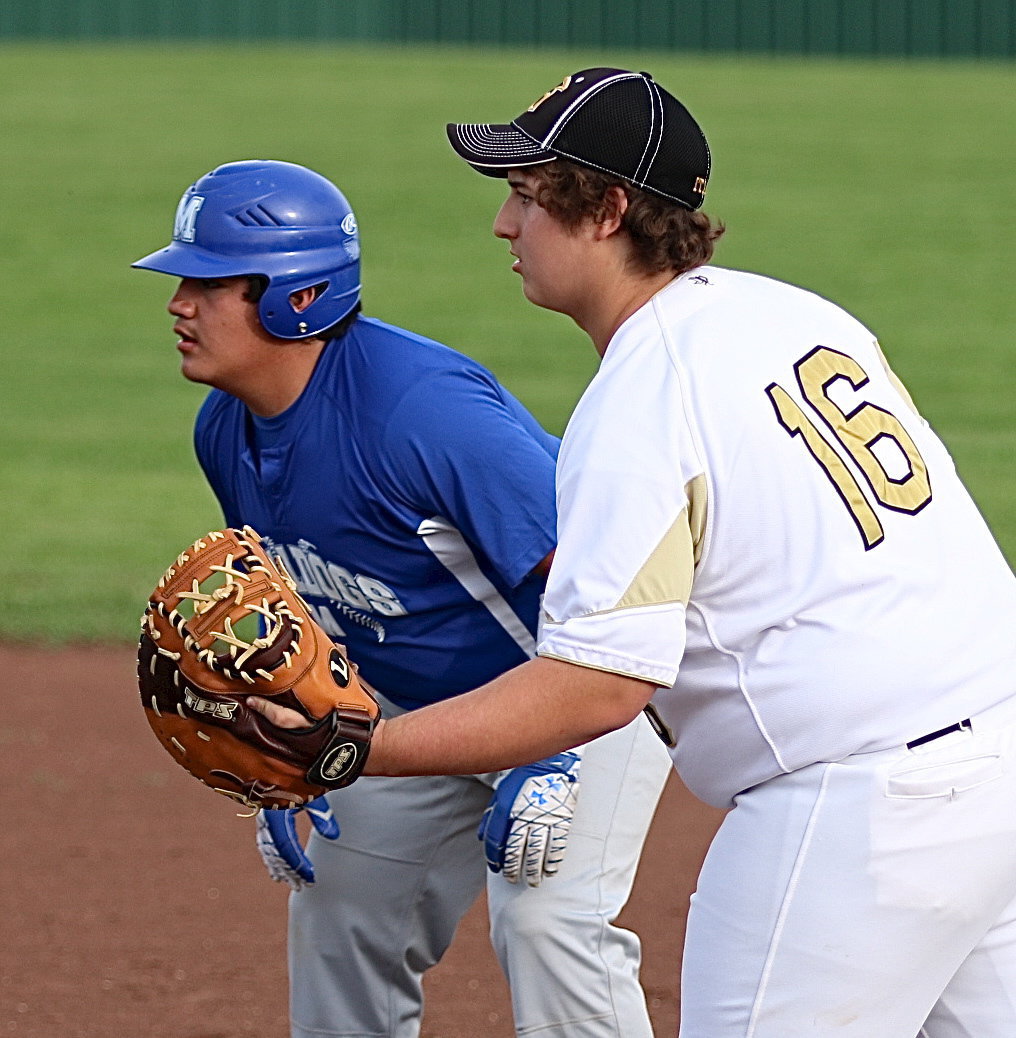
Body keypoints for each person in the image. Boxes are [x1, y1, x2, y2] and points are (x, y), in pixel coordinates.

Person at [252, 67, 1016, 1036]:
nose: (503, 224)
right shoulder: (789, 313)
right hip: (994, 766)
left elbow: (595, 688)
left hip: (854, 812)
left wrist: (355, 747)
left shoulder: (643, 398)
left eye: (528, 196)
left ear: (607, 208)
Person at [131, 158, 672, 1038]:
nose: (178, 304)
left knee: (548, 921)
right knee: (341, 907)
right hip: (424, 709)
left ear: (292, 297)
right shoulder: (224, 429)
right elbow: (297, 607)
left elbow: (600, 591)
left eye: (208, 281)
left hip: (582, 693)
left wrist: (550, 755)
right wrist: (297, 764)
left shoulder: (423, 417)